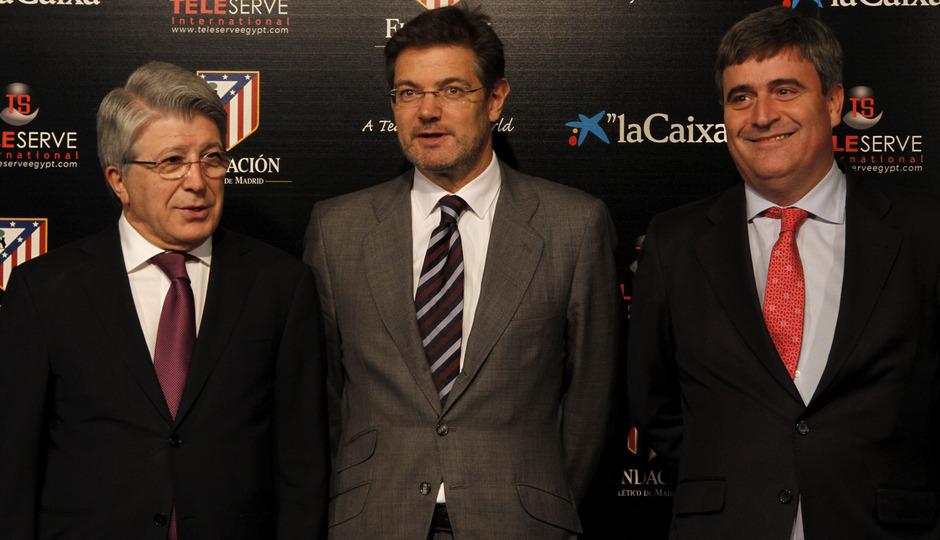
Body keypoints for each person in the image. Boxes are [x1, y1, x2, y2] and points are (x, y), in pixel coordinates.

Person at [303, 5, 619, 539]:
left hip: (521, 523)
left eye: (452, 90)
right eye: (408, 93)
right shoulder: (337, 228)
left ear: (495, 99)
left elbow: (592, 396)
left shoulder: (574, 223)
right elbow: (324, 395)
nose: (428, 111)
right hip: (374, 520)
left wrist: (545, 499)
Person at [627, 7, 940, 539]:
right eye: (741, 96)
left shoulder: (924, 232)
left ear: (835, 102)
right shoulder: (673, 241)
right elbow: (653, 403)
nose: (762, 115)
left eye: (785, 89)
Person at [0, 62, 329, 540]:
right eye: (171, 162)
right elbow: (13, 464)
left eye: (212, 158)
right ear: (118, 180)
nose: (197, 182)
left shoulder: (280, 284)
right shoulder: (44, 289)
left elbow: (302, 464)